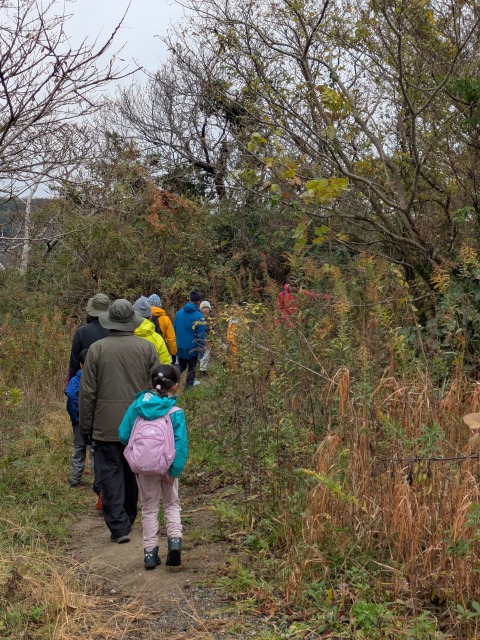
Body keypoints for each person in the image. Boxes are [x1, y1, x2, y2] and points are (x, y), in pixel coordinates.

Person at [79, 299, 160, 544]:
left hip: (106, 424)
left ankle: (118, 525)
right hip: (138, 422)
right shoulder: (147, 348)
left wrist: (86, 425)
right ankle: (129, 517)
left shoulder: (96, 349)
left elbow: (87, 392)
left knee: (110, 472)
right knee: (132, 472)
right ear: (132, 322)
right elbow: (156, 388)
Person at [118, 364, 187, 570]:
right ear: (175, 386)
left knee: (149, 508)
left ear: (152, 382)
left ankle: (149, 553)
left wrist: (141, 453)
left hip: (145, 467)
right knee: (172, 504)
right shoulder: (175, 412)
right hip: (167, 466)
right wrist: (174, 471)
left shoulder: (137, 406)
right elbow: (180, 445)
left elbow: (123, 434)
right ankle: (174, 542)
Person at [65, 348, 97, 489]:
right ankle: (98, 479)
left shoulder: (75, 380)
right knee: (94, 450)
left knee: (79, 448)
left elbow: (71, 396)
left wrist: (75, 415)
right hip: (94, 421)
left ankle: (75, 478)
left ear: (80, 364)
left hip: (78, 422)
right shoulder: (97, 379)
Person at [67, 293, 110, 381]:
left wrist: (73, 383)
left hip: (87, 381)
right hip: (109, 382)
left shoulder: (82, 332)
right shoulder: (115, 331)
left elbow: (74, 365)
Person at [173, 289, 207, 388]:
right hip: (192, 348)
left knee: (181, 366)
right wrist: (201, 350)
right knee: (192, 369)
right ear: (198, 302)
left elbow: (174, 328)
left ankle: (170, 381)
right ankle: (188, 390)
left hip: (180, 346)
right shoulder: (200, 316)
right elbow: (201, 335)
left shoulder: (179, 313)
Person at [133, 297, 171, 364]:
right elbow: (165, 364)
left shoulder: (124, 337)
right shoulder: (158, 339)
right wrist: (173, 352)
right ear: (150, 316)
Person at [147, 294, 177, 363]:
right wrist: (173, 353)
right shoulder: (165, 319)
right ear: (160, 305)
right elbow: (171, 338)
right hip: (162, 349)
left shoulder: (143, 317)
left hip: (147, 349)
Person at [199, 300, 214, 376]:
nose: (205, 309)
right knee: (203, 354)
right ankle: (201, 369)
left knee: (206, 354)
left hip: (211, 338)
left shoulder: (212, 317)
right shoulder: (199, 317)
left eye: (206, 307)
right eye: (203, 308)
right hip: (201, 339)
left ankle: (203, 369)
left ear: (209, 308)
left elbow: (215, 328)